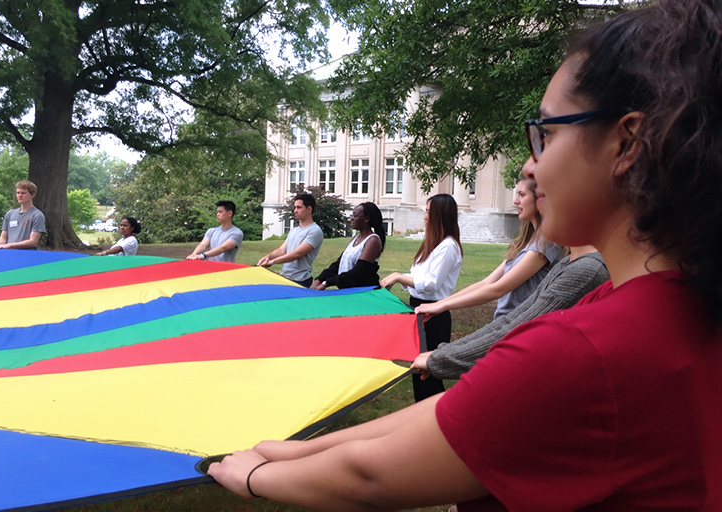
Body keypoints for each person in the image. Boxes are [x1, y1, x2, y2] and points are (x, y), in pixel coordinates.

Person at [208, 2, 722, 509]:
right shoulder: (657, 305)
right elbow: (452, 410)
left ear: (626, 143)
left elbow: (374, 477)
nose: (531, 166)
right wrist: (300, 449)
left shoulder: (589, 348)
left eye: (547, 133)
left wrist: (255, 476)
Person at [411, 246, 609, 380]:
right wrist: (442, 352)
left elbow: (520, 327)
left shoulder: (586, 270)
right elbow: (511, 319)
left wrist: (441, 358)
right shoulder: (568, 263)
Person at [415, 177, 564, 322]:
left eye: (522, 195)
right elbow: (487, 283)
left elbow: (499, 289)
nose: (515, 201)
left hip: (519, 329)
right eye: (516, 194)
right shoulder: (525, 241)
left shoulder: (548, 241)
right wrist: (439, 304)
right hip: (504, 324)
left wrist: (443, 305)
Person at [379, 194, 463, 401]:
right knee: (419, 370)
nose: (424, 217)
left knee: (430, 373)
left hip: (434, 315)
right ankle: (424, 417)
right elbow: (418, 279)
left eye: (428, 212)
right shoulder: (433, 245)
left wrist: (399, 277)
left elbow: (429, 284)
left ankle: (437, 417)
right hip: (420, 310)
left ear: (439, 216)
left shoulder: (448, 247)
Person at [311, 202, 385, 290]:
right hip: (348, 291)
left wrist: (327, 283)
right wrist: (319, 279)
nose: (351, 219)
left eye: (355, 216)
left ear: (366, 219)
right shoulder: (356, 238)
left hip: (364, 293)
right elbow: (338, 264)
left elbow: (359, 271)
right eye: (351, 215)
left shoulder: (373, 240)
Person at [257, 193, 323, 287]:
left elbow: (297, 254)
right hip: (286, 277)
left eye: (299, 207)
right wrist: (268, 257)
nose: (295, 211)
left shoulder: (315, 231)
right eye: (295, 207)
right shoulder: (295, 230)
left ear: (309, 209)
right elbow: (282, 250)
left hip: (301, 280)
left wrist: (273, 262)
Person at [0, 180, 45, 250]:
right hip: (9, 255)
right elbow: (3, 238)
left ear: (33, 195)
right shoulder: (10, 214)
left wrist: (9, 245)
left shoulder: (37, 215)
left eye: (23, 193)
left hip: (27, 256)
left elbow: (33, 241)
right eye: (18, 193)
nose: (20, 195)